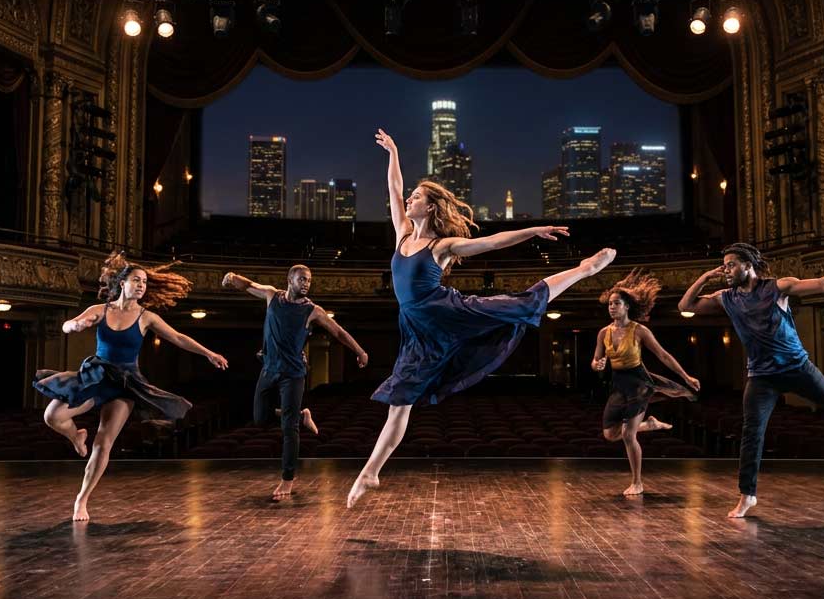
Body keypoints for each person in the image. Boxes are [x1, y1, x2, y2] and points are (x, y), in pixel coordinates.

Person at [347, 128, 617, 508]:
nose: (409, 199)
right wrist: (393, 152)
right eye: (412, 195)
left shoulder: (442, 246)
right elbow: (394, 188)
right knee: (400, 400)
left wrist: (534, 230)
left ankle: (583, 270)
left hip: (449, 310)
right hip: (419, 331)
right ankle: (371, 471)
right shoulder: (402, 234)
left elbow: (492, 242)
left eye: (418, 197)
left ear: (431, 207)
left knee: (519, 303)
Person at [677, 242, 824, 518]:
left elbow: (820, 285)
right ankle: (747, 495)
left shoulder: (776, 288)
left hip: (797, 367)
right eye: (724, 265)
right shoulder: (727, 297)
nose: (726, 270)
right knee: (752, 433)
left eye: (731, 264)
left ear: (748, 265)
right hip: (761, 376)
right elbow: (685, 305)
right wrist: (704, 278)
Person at [34, 252, 229, 521]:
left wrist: (208, 353)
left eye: (145, 282)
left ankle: (82, 500)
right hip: (97, 374)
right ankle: (75, 436)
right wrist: (74, 325)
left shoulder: (146, 317)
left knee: (103, 442)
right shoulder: (101, 310)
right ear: (122, 282)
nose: (141, 285)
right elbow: (69, 324)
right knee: (52, 416)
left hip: (125, 384)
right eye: (137, 280)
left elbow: (178, 337)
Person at [222, 265, 370, 500]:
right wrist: (232, 278)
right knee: (260, 418)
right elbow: (249, 285)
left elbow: (338, 332)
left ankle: (287, 479)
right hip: (269, 370)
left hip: (293, 374)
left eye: (309, 280)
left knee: (288, 428)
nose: (306, 283)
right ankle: (302, 416)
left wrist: (360, 351)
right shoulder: (272, 295)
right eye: (302, 279)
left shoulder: (313, 310)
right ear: (289, 280)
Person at [592, 269, 700, 496]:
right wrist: (597, 365)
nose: (612, 307)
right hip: (618, 384)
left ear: (627, 306)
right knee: (610, 434)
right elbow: (596, 360)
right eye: (610, 304)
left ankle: (637, 482)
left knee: (629, 436)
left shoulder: (639, 331)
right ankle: (650, 425)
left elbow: (663, 355)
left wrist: (685, 376)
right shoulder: (604, 332)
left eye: (616, 303)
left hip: (639, 382)